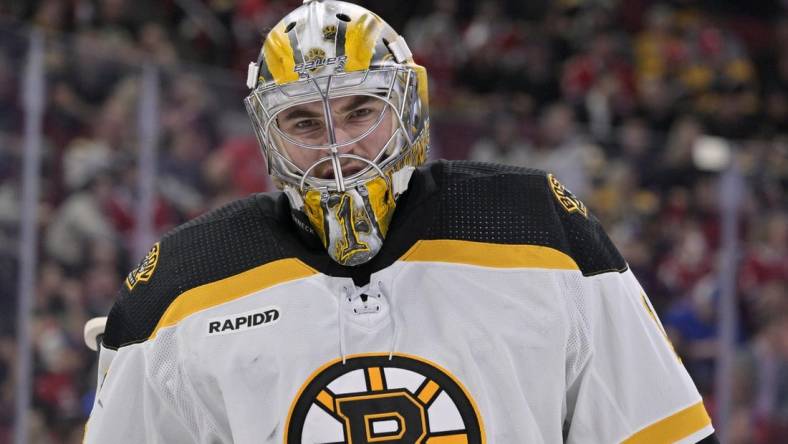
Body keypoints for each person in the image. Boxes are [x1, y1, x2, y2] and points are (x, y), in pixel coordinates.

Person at [84, 1, 719, 442]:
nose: (337, 146)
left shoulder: (538, 229)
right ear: (267, 137)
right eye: (303, 121)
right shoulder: (181, 286)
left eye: (361, 110)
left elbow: (657, 429)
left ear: (409, 109)